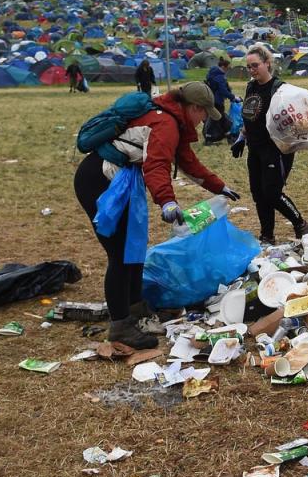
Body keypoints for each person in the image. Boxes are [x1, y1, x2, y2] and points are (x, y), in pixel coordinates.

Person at [74, 82, 239, 349]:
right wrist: (167, 202)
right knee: (119, 253)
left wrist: (218, 185)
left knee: (133, 248)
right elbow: (157, 165)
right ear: (193, 107)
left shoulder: (175, 122)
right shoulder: (166, 124)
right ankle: (120, 326)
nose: (204, 120)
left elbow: (188, 163)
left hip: (119, 179)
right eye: (204, 114)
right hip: (100, 180)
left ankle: (136, 309)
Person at [231, 46, 308, 243]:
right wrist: (241, 138)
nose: (252, 70)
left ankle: (300, 223)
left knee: (272, 193)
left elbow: (298, 120)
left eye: (255, 65)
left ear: (267, 63)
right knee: (258, 194)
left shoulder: (280, 89)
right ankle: (267, 235)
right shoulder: (251, 87)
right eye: (249, 67)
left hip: (275, 151)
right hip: (255, 148)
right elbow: (251, 117)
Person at [204, 58, 239, 144]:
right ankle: (228, 138)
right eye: (228, 68)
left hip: (212, 99)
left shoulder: (212, 73)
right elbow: (223, 90)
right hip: (217, 101)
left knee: (218, 119)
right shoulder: (219, 76)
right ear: (223, 66)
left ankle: (211, 138)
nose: (228, 70)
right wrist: (233, 97)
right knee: (219, 119)